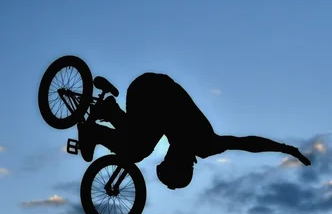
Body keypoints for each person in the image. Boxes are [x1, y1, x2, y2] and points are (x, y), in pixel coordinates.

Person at [77, 72, 311, 190]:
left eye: (165, 160)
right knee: (139, 149)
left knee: (140, 143)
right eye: (169, 161)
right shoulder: (206, 144)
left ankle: (109, 110)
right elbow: (247, 143)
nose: (167, 155)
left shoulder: (179, 139)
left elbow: (246, 143)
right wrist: (284, 148)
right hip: (154, 90)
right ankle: (97, 130)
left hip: (145, 89)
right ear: (182, 164)